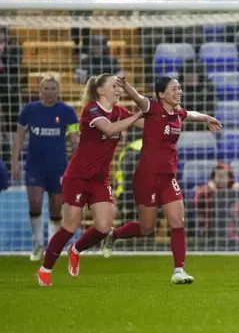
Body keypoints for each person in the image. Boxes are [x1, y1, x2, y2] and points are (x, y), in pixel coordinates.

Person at [100, 76, 222, 284]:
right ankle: (113, 235)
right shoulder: (152, 108)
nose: (178, 92)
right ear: (161, 94)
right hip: (147, 177)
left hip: (168, 177)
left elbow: (191, 114)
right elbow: (138, 98)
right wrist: (126, 85)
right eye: (174, 89)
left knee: (177, 222)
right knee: (147, 228)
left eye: (179, 88)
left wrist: (207, 118)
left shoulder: (178, 113)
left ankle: (179, 270)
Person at [36, 74, 144, 287]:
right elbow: (110, 129)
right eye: (113, 86)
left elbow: (146, 125)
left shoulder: (120, 112)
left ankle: (76, 250)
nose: (118, 89)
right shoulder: (92, 109)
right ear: (101, 91)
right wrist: (140, 113)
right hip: (77, 177)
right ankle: (45, 270)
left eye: (119, 86)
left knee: (104, 226)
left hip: (100, 179)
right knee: (69, 225)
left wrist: (165, 117)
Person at [12, 76, 80, 262]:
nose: (49, 92)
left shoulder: (67, 112)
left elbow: (75, 139)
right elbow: (19, 138)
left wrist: (77, 161)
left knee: (56, 209)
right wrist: (15, 161)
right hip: (35, 166)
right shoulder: (29, 111)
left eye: (53, 88)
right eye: (46, 88)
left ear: (58, 91)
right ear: (40, 90)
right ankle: (37, 244)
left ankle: (53, 246)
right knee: (34, 203)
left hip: (58, 167)